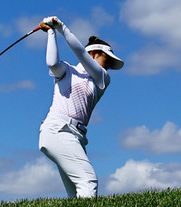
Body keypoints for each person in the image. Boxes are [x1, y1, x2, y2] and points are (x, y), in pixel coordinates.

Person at [37, 15, 124, 198]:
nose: (107, 67)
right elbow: (52, 63)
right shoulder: (67, 70)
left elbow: (81, 55)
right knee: (88, 181)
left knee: (75, 193)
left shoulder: (102, 79)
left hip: (76, 137)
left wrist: (62, 28)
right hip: (57, 130)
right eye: (106, 60)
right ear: (94, 54)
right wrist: (52, 32)